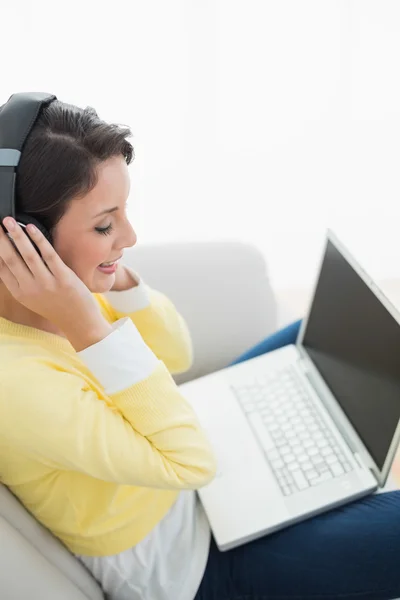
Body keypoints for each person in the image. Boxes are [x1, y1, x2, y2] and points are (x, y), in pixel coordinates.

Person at [0, 99, 399, 600]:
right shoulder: (19, 384)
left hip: (193, 476)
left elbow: (176, 353)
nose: (130, 235)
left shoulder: (62, 296)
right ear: (27, 242)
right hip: (193, 561)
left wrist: (113, 276)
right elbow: (191, 464)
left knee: (341, 343)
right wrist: (86, 324)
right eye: (105, 225)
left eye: (123, 214)